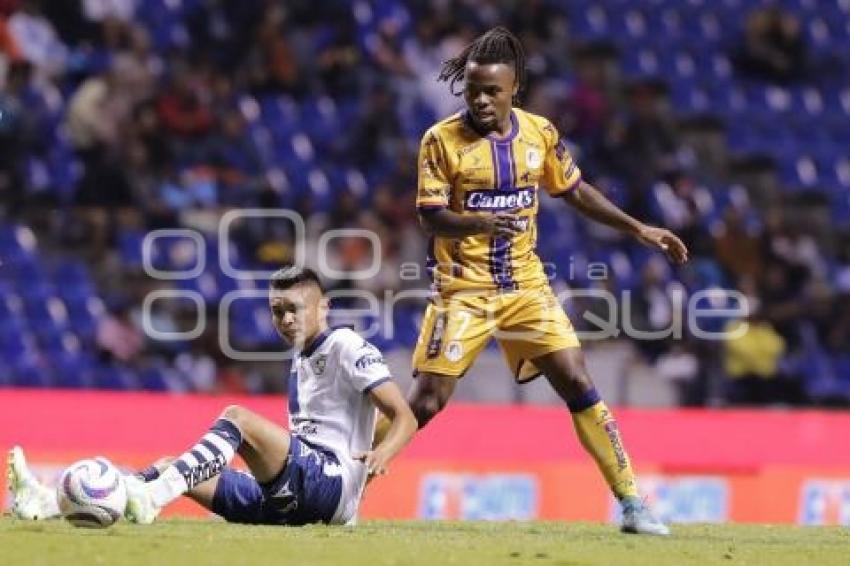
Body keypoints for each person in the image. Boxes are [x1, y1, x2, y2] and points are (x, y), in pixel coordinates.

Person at [373, 27, 689, 535]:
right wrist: (477, 222)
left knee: (579, 381)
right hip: (463, 290)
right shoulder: (440, 140)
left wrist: (639, 228)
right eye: (473, 89)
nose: (479, 99)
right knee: (427, 401)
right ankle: (342, 476)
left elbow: (576, 190)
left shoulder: (539, 133)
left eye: (491, 91)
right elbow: (430, 217)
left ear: (513, 88)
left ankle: (632, 502)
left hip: (526, 287)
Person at [7, 267, 417, 526]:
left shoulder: (345, 344)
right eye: (277, 311)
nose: (286, 319)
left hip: (326, 486)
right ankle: (43, 502)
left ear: (323, 308)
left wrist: (379, 458)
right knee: (172, 467)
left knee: (237, 417)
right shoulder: (301, 358)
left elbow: (403, 416)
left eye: (295, 308)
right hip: (293, 493)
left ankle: (151, 498)